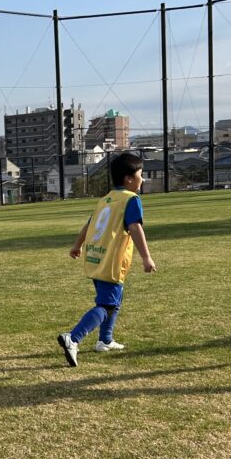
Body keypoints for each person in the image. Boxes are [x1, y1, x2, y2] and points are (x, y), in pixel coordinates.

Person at [57, 151, 155, 367]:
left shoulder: (106, 199)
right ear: (129, 178)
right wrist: (146, 257)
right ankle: (73, 338)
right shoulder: (131, 199)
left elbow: (89, 224)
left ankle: (105, 340)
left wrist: (77, 245)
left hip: (96, 257)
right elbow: (135, 227)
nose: (143, 179)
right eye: (141, 175)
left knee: (113, 301)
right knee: (107, 305)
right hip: (111, 261)